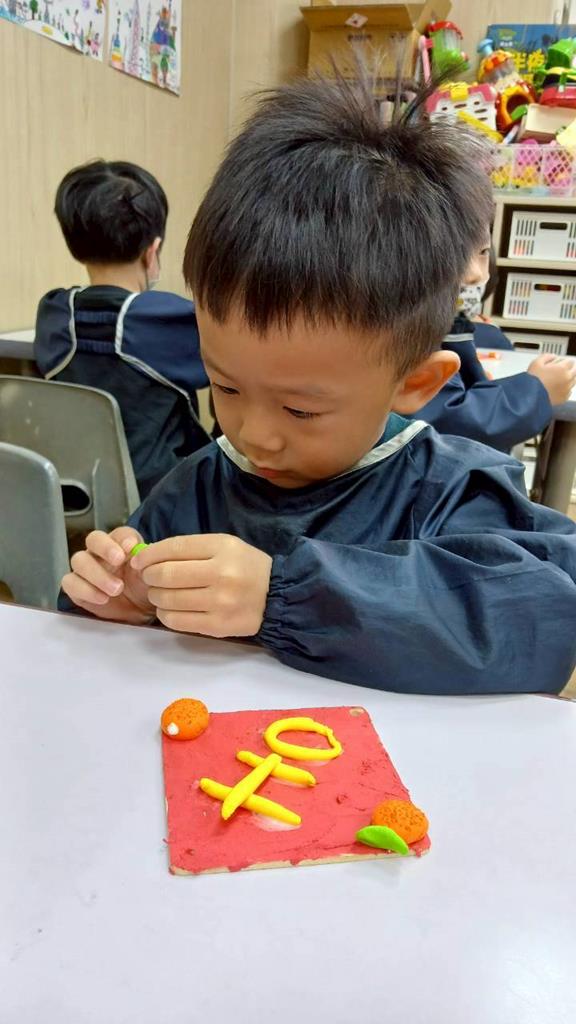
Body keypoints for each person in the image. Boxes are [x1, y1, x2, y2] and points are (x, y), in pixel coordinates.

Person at [60, 74, 576, 697]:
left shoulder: (450, 491)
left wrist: (282, 595)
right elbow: (118, 649)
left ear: (416, 382)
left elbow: (545, 617)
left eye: (300, 410)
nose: (254, 435)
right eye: (225, 387)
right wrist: (121, 605)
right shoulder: (197, 487)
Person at [34, 160, 210, 497]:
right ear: (151, 252)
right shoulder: (168, 320)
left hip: (79, 495)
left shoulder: (55, 313)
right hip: (162, 498)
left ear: (75, 247)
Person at [416, 244, 576, 451]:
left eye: (483, 252)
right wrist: (536, 391)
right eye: (458, 253)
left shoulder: (449, 327)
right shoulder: (413, 337)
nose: (476, 274)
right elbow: (452, 425)